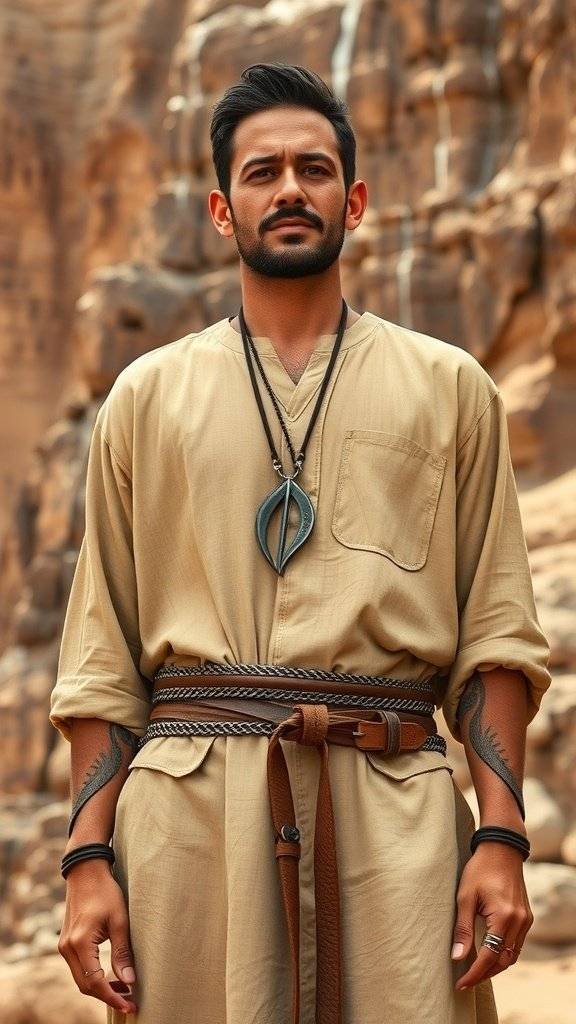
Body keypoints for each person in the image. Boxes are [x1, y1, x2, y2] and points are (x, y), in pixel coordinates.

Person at [49, 63, 551, 1024]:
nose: (289, 190)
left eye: (314, 171)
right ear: (221, 210)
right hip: (190, 829)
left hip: (398, 826)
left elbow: (496, 633)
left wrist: (502, 837)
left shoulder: (451, 389)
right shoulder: (146, 400)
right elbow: (103, 657)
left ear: (354, 200)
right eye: (263, 172)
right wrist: (86, 859)